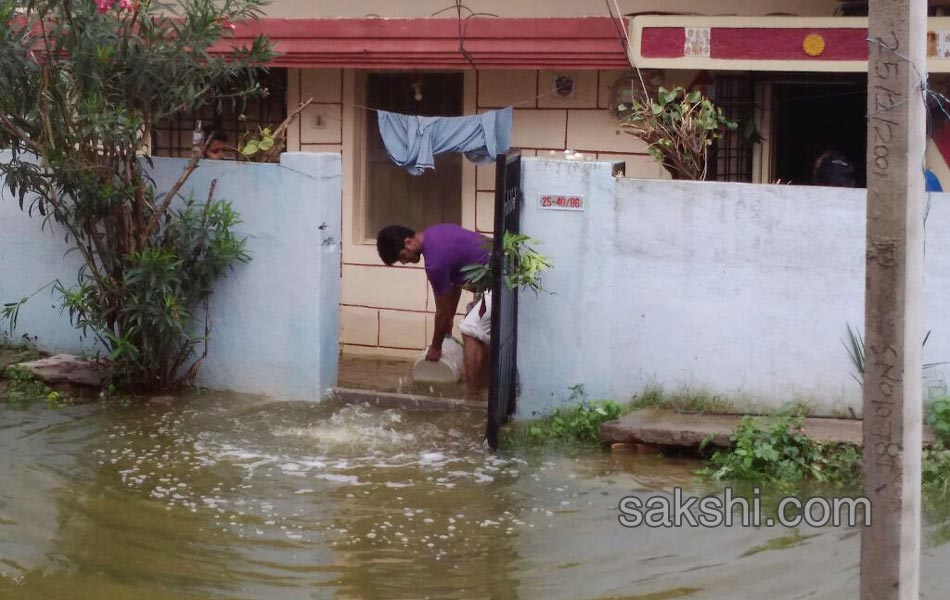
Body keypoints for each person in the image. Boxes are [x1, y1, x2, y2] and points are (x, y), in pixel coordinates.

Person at [376, 223, 492, 397]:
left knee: (471, 331)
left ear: (408, 242)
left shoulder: (434, 262)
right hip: (501, 268)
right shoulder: (435, 233)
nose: (405, 261)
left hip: (500, 278)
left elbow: (442, 312)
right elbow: (453, 288)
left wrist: (436, 347)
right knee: (480, 328)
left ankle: (471, 397)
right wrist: (447, 325)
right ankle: (484, 388)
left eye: (402, 256)